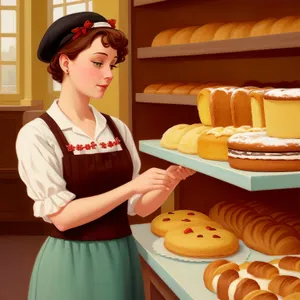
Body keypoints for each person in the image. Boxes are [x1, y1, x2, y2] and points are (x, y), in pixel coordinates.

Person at [15, 11, 196, 300]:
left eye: (112, 64)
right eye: (98, 62)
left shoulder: (117, 128)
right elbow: (62, 218)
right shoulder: (38, 134)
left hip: (121, 255)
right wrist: (131, 187)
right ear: (65, 63)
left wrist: (168, 182)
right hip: (70, 263)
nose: (108, 74)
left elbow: (137, 207)